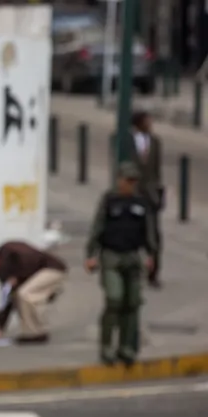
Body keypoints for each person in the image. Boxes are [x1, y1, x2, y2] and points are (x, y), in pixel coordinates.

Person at [85, 162, 157, 366]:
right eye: (128, 180)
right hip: (111, 255)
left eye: (134, 181)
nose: (130, 185)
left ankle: (127, 347)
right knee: (114, 299)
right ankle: (106, 346)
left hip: (133, 256)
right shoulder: (109, 200)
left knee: (132, 302)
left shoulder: (141, 203)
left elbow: (149, 231)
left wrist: (151, 254)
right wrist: (91, 254)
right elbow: (97, 227)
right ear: (119, 180)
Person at [0, 242, 67, 345]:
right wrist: (0, 328)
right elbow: (7, 300)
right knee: (19, 298)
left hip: (51, 268)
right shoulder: (3, 275)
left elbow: (28, 256)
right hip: (38, 274)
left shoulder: (7, 250)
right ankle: (33, 332)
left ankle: (36, 332)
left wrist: (17, 276)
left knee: (24, 294)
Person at [126, 111, 163, 288]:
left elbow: (156, 170)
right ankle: (131, 271)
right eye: (147, 121)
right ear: (138, 124)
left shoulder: (155, 142)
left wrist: (158, 191)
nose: (150, 124)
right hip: (132, 194)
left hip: (150, 196)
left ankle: (153, 273)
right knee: (131, 233)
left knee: (153, 235)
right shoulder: (126, 141)